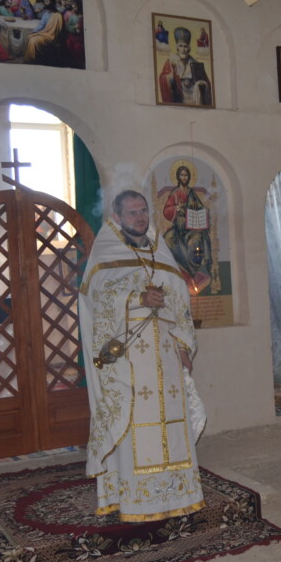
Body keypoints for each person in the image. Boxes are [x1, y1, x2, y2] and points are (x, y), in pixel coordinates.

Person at [79, 190, 206, 522]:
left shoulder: (159, 251)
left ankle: (176, 495)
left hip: (166, 358)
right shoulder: (106, 253)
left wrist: (183, 346)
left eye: (143, 211)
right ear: (117, 217)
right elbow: (98, 299)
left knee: (172, 428)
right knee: (136, 427)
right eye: (132, 213)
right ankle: (137, 501)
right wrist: (137, 298)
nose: (140, 218)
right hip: (129, 363)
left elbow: (179, 301)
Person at [160, 163, 213, 292]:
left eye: (186, 175)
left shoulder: (191, 193)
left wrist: (203, 212)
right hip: (179, 227)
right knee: (167, 238)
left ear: (189, 177)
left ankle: (194, 273)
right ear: (178, 177)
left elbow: (200, 208)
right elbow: (166, 210)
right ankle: (179, 273)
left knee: (193, 242)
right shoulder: (175, 193)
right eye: (182, 175)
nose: (184, 178)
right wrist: (176, 208)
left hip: (192, 228)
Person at [157, 27, 212, 106]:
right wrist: (169, 78)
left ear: (189, 48)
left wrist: (201, 84)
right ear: (177, 48)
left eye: (185, 46)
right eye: (181, 46)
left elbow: (207, 84)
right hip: (178, 101)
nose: (183, 49)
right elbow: (162, 77)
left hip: (194, 102)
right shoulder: (171, 62)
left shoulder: (195, 64)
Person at [22, 0, 63, 65]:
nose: (45, 3)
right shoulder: (46, 13)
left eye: (47, 1)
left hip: (51, 36)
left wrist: (58, 39)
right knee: (29, 37)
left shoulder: (58, 15)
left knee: (33, 40)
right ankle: (31, 58)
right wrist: (34, 31)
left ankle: (33, 59)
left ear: (51, 4)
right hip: (44, 33)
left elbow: (60, 29)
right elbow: (41, 25)